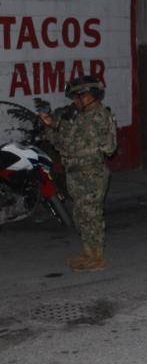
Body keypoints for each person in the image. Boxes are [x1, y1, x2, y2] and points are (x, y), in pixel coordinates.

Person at [38, 76, 117, 272]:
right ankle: (89, 253)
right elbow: (64, 140)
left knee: (91, 216)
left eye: (77, 97)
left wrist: (54, 127)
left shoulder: (98, 117)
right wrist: (50, 125)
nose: (75, 101)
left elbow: (71, 144)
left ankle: (97, 258)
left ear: (89, 95)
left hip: (90, 174)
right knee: (82, 216)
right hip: (77, 174)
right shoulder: (82, 116)